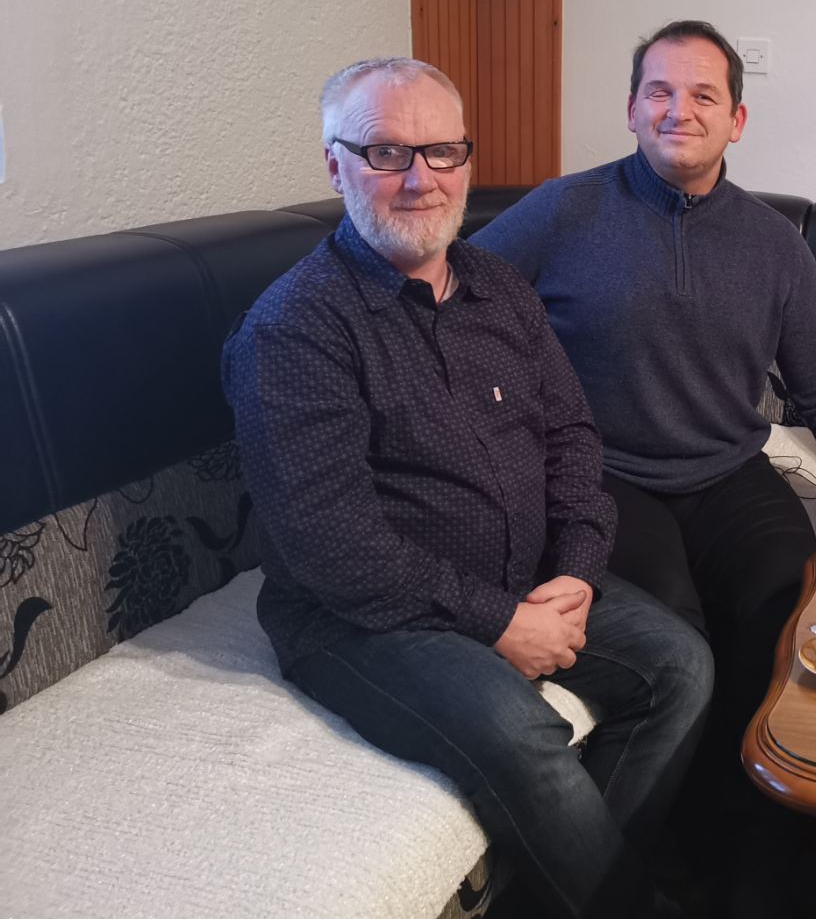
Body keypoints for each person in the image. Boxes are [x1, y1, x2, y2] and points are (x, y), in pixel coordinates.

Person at [222, 58, 712, 919]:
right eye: (386, 152)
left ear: (466, 161)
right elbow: (333, 546)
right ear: (335, 165)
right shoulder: (294, 330)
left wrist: (577, 571)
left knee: (681, 666)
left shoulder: (499, 288)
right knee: (521, 730)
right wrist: (499, 623)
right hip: (362, 618)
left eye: (442, 151)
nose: (421, 179)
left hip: (523, 576)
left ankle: (587, 891)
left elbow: (572, 437)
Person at [471, 19, 816, 915]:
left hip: (727, 471)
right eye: (660, 92)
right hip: (602, 477)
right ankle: (671, 854)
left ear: (737, 120)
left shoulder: (774, 243)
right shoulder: (562, 211)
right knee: (677, 634)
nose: (679, 110)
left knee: (787, 613)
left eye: (703, 95)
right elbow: (459, 301)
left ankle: (762, 851)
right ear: (631, 109)